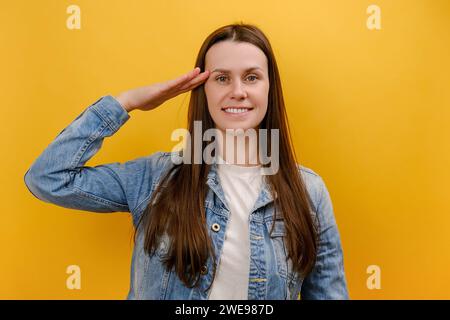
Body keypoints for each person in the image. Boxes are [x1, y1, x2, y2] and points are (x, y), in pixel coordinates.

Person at [24, 23, 349, 300]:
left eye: (251, 77)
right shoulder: (155, 178)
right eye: (222, 78)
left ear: (269, 88)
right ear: (202, 89)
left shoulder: (309, 192)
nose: (238, 91)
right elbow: (48, 177)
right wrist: (127, 102)